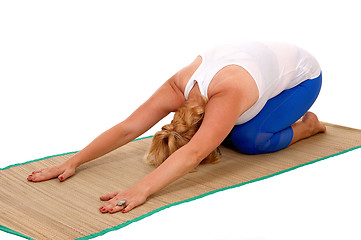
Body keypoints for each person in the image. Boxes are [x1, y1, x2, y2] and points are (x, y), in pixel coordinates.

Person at [27, 41, 326, 214]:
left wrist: (140, 190)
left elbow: (195, 152)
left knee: (248, 138)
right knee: (237, 128)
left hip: (304, 78)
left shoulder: (226, 94)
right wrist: (73, 162)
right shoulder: (177, 88)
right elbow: (128, 128)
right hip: (261, 62)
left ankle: (308, 127)